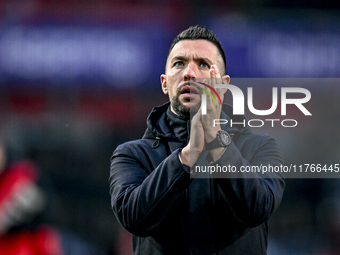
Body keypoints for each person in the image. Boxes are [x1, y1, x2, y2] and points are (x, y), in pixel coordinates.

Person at [109, 25, 285, 255]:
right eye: (179, 63)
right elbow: (133, 218)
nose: (189, 72)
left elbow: (257, 208)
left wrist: (217, 141)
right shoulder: (131, 155)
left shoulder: (260, 147)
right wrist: (186, 158)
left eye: (202, 64)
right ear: (164, 82)